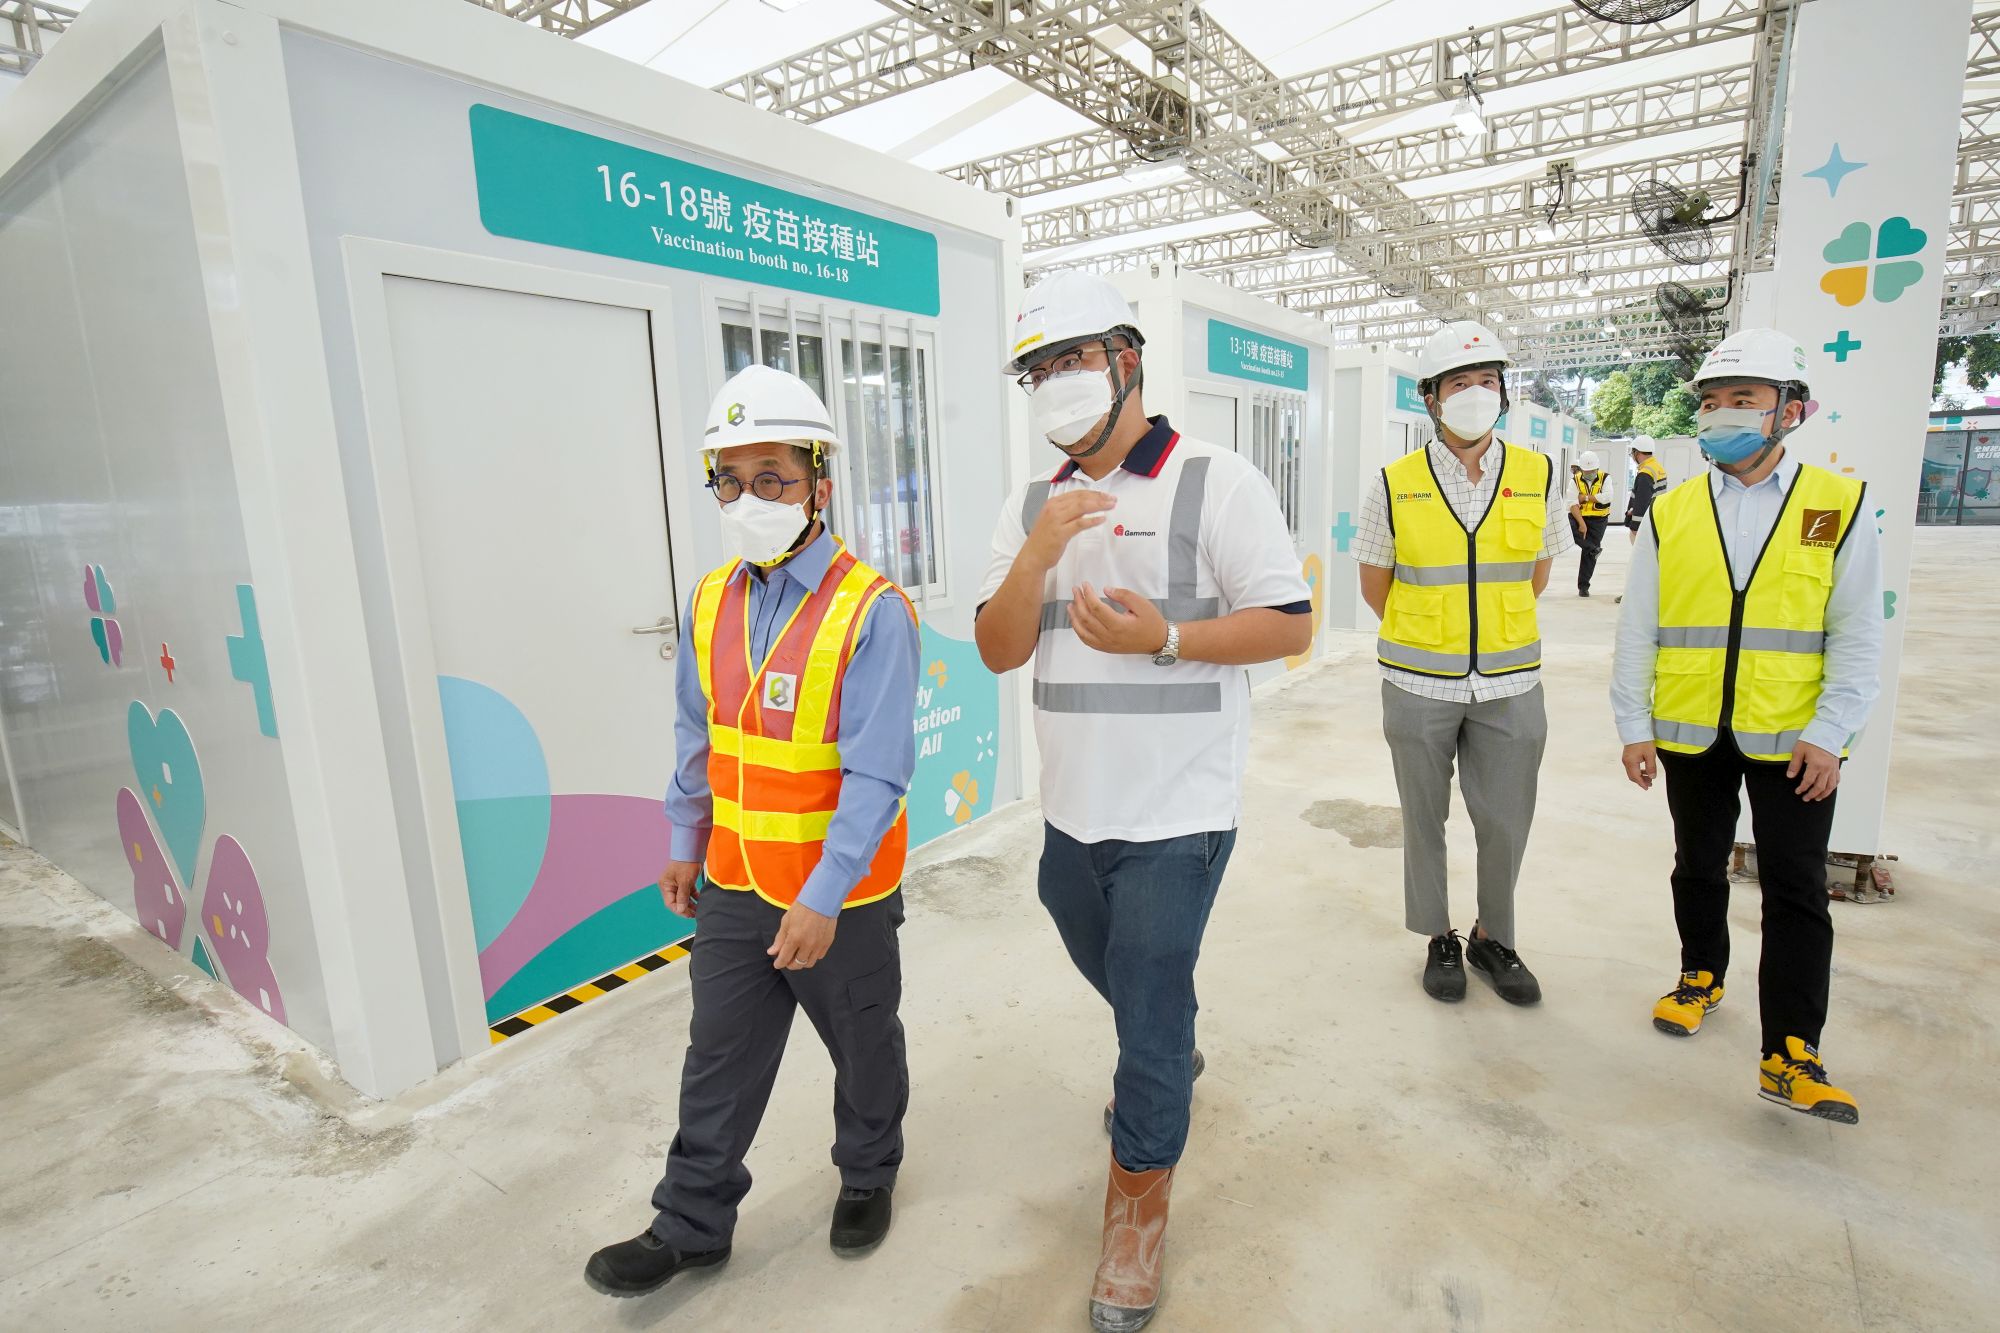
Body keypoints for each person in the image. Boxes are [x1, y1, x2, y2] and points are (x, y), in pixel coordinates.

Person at [976, 271, 1311, 1333]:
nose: (1052, 386)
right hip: (1072, 812)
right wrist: (1035, 553)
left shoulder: (1217, 479)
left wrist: (1164, 637)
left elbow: (1289, 624)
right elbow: (995, 648)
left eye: (1070, 360)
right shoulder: (1028, 502)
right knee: (1116, 972)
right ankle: (1161, 1050)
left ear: (1126, 359)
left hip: (1177, 811)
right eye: (1036, 370)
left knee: (1150, 1007)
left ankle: (1133, 1216)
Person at [587, 365, 921, 1296]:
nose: (746, 498)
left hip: (838, 894)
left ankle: (868, 1171)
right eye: (728, 480)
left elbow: (879, 772)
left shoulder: (872, 611)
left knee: (861, 1044)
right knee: (719, 1055)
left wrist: (822, 896)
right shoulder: (710, 599)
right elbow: (699, 735)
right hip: (734, 881)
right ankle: (691, 1223)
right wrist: (684, 841)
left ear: (821, 481)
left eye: (770, 476)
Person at [1610, 329, 1882, 1125]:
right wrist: (1634, 723)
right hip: (1690, 727)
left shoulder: (1836, 503)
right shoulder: (1674, 509)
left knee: (1797, 889)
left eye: (1743, 400)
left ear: (1790, 411)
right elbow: (1641, 626)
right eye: (1711, 400)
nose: (1721, 414)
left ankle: (1791, 1052)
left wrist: (1833, 730)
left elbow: (1858, 629)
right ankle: (1700, 974)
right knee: (1697, 863)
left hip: (1794, 738)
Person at [1354, 321, 1571, 1007]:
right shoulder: (1394, 483)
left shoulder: (1538, 473)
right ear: (1431, 398)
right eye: (1459, 383)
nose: (1475, 393)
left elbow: (1535, 572)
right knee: (1424, 818)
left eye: (1486, 381)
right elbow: (1374, 585)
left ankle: (1492, 936)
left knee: (1506, 818)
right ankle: (1439, 934)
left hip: (1511, 683)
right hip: (1418, 682)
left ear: (1503, 393)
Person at [1568, 450, 1613, 596]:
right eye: (1586, 471)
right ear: (1581, 469)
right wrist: (1581, 523)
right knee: (1570, 530)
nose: (1589, 473)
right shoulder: (1575, 480)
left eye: (1592, 470)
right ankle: (1594, 549)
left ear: (1597, 468)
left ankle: (1583, 587)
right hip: (1579, 516)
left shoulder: (1605, 478)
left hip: (1598, 519)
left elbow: (1607, 497)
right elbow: (1572, 502)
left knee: (1588, 555)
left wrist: (1585, 498)